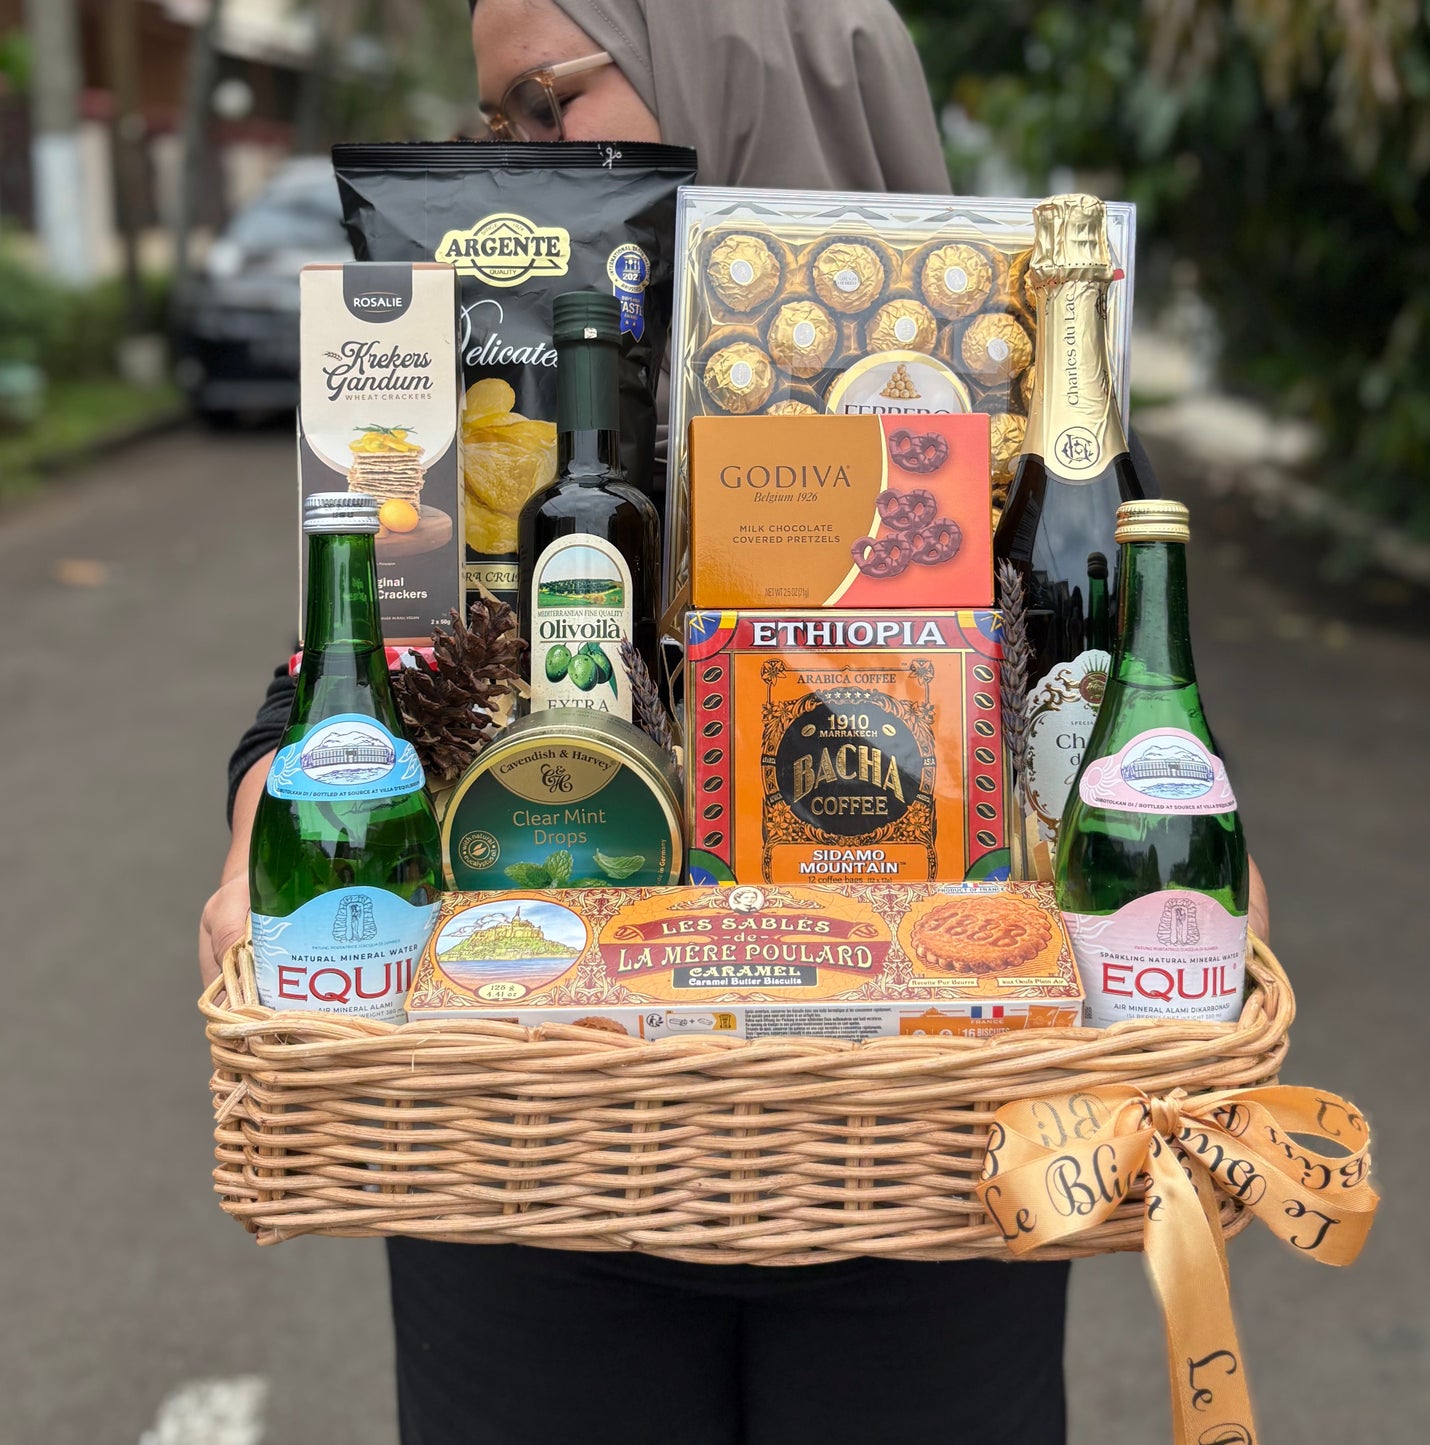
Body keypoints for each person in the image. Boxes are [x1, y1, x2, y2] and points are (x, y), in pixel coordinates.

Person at [200, 4, 1270, 1442]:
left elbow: (1099, 686)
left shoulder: (1002, 369)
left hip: (937, 1169)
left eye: (542, 101)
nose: (517, 153)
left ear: (739, 55)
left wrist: (1191, 861)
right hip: (534, 1165)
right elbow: (359, 648)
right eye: (497, 119)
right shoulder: (479, 346)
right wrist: (265, 825)